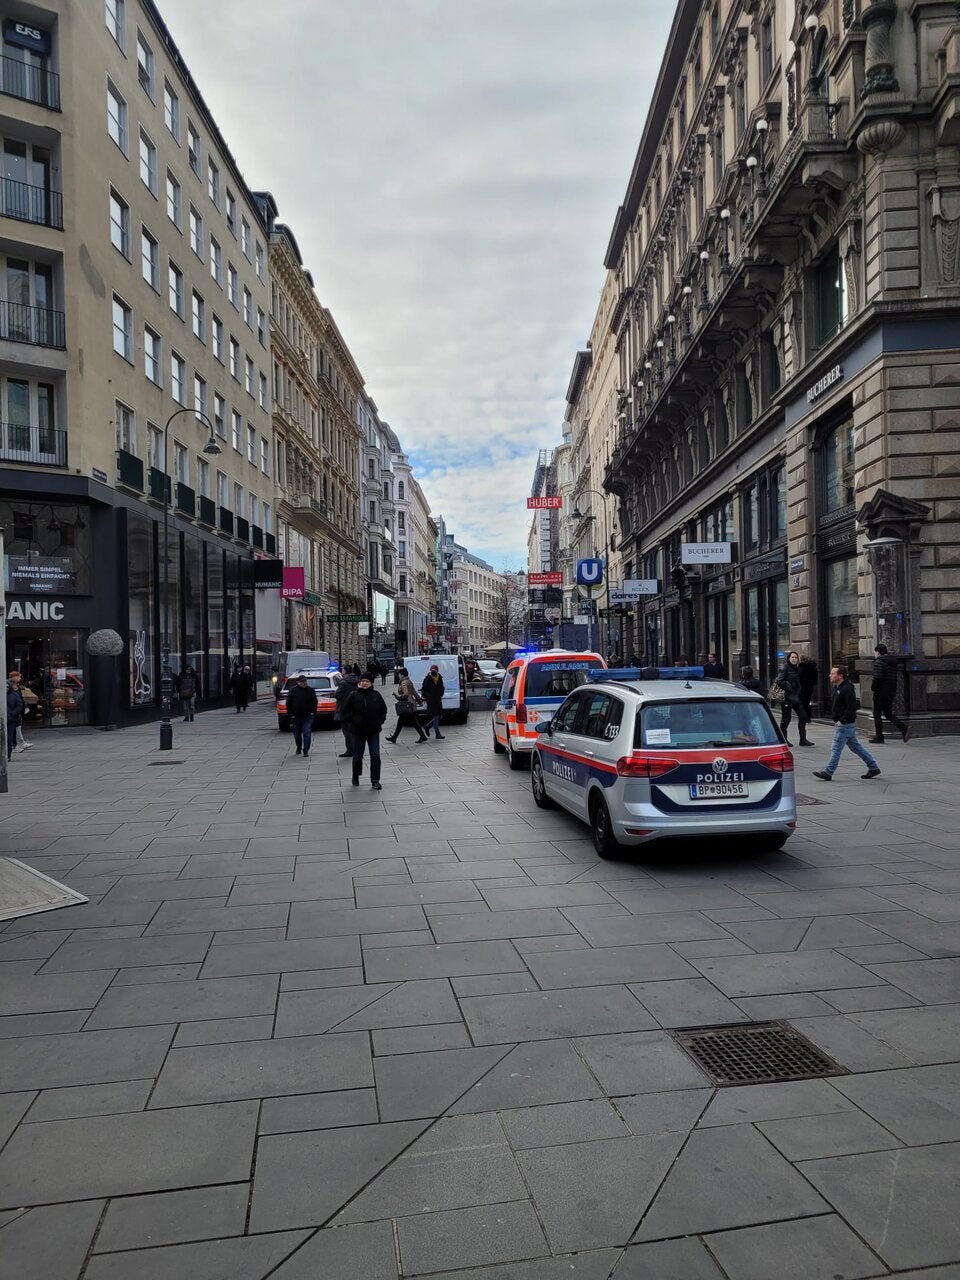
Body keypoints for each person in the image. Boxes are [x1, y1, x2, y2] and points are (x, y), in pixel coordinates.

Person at [813, 665, 881, 782]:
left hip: (845, 725)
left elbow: (851, 708)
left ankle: (828, 772)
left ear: (841, 676)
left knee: (836, 748)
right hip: (845, 724)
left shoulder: (847, 689)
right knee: (857, 748)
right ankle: (873, 767)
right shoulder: (837, 688)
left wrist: (841, 721)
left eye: (833, 673)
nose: (830, 675)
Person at [342, 672, 388, 789]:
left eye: (367, 681)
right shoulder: (353, 695)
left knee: (375, 755)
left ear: (371, 683)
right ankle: (356, 775)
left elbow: (383, 710)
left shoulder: (376, 695)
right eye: (362, 681)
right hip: (358, 731)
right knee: (357, 756)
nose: (364, 683)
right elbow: (345, 711)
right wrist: (353, 721)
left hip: (373, 731)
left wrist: (380, 721)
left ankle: (375, 780)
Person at [869, 643, 911, 744]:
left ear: (878, 652)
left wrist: (873, 687)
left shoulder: (879, 662)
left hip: (880, 691)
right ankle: (903, 728)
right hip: (890, 691)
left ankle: (879, 737)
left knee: (877, 714)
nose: (874, 654)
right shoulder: (892, 662)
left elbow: (878, 678)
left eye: (875, 652)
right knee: (887, 713)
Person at [774, 650, 814, 746]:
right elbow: (778, 680)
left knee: (803, 716)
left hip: (796, 697)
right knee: (786, 719)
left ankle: (803, 739)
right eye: (792, 657)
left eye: (796, 657)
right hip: (787, 697)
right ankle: (783, 739)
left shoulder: (797, 668)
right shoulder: (786, 668)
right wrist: (788, 688)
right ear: (789, 658)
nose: (794, 659)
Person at [386, 667, 428, 743]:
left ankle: (394, 737)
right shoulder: (409, 681)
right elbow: (414, 693)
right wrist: (419, 701)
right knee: (406, 722)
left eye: (399, 674)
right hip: (411, 705)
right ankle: (394, 737)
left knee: (408, 722)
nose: (398, 676)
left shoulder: (404, 683)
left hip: (406, 705)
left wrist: (397, 696)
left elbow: (405, 694)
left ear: (402, 675)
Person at [286, 673, 318, 758]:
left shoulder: (310, 690)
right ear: (298, 682)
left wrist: (313, 712)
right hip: (296, 716)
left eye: (305, 681)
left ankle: (306, 750)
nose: (304, 682)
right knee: (297, 734)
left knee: (307, 732)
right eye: (302, 681)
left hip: (308, 715)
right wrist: (291, 714)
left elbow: (315, 702)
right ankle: (299, 747)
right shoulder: (293, 690)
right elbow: (288, 703)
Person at [335, 666, 360, 757]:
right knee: (353, 730)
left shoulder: (343, 682)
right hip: (356, 709)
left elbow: (338, 695)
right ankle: (355, 747)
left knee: (347, 731)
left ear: (345, 671)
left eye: (342, 670)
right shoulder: (358, 681)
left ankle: (350, 750)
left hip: (345, 709)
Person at [6, 672, 32, 752]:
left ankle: (19, 743)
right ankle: (16, 745)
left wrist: (25, 707)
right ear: (14, 677)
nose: (20, 678)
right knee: (13, 729)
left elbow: (20, 698)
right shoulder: (8, 685)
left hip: (15, 710)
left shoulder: (17, 687)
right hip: (11, 710)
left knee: (17, 727)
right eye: (18, 677)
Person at [421, 663, 446, 740]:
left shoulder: (439, 678)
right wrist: (430, 697)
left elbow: (442, 688)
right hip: (432, 701)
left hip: (438, 701)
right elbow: (424, 691)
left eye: (435, 670)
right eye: (433, 670)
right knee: (436, 716)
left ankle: (427, 726)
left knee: (439, 716)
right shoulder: (427, 679)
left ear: (437, 671)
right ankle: (437, 734)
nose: (434, 671)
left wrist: (440, 695)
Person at [6, 674, 25, 762]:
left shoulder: (13, 695)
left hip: (10, 720)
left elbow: (19, 705)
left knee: (9, 738)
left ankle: (8, 755)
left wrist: (13, 713)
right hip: (8, 719)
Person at [798, 652, 818, 723]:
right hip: (810, 687)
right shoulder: (813, 666)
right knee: (807, 702)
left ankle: (804, 717)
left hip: (803, 687)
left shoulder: (802, 666)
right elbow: (815, 677)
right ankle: (808, 717)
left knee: (802, 703)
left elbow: (799, 676)